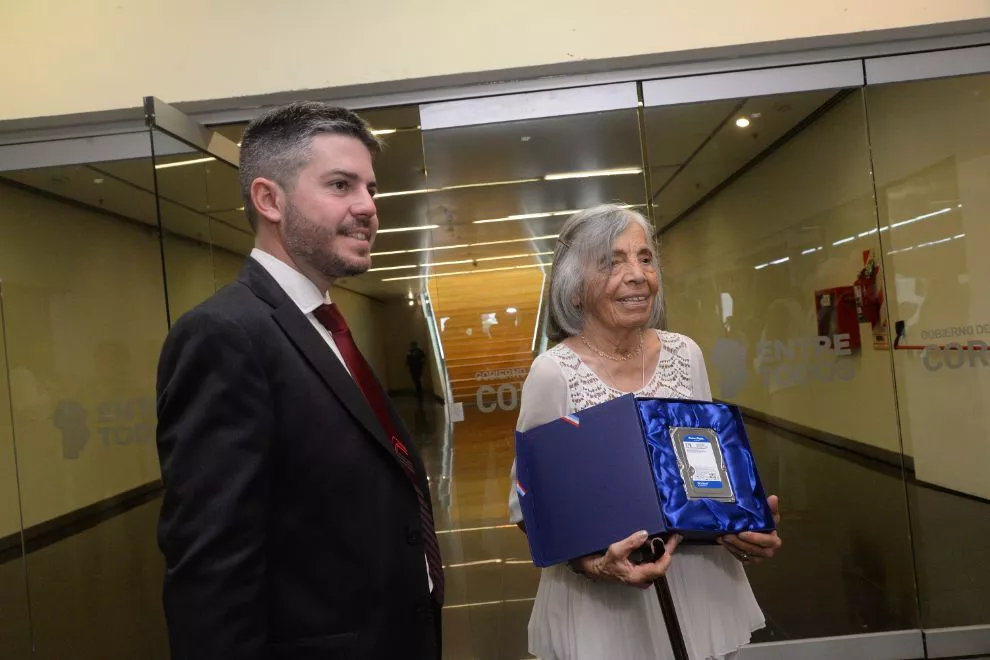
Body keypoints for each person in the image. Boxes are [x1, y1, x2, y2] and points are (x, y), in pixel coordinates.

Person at [155, 102, 443, 660]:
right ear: (270, 200)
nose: (368, 207)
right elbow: (212, 567)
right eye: (341, 185)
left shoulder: (324, 326)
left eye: (370, 188)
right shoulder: (224, 335)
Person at [507, 204, 782, 660]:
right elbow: (529, 506)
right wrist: (591, 564)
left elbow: (707, 466)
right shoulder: (553, 372)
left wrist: (742, 525)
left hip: (698, 585)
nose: (637, 275)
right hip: (606, 606)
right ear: (574, 290)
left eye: (645, 258)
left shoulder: (684, 353)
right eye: (613, 262)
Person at [406, 340, 427, 406]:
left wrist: (422, 363)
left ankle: (419, 392)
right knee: (415, 380)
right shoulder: (410, 351)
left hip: (418, 368)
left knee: (418, 380)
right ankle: (418, 391)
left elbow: (424, 358)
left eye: (413, 345)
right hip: (413, 368)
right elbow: (408, 359)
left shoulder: (419, 351)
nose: (412, 346)